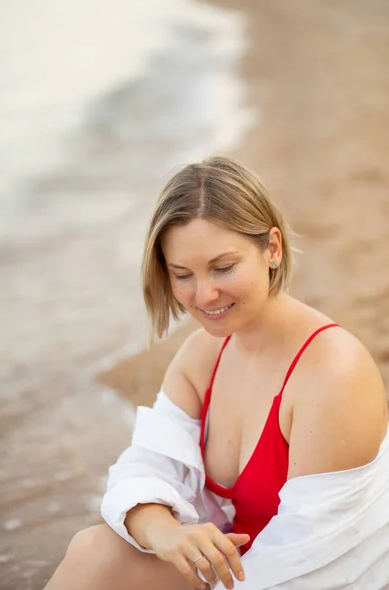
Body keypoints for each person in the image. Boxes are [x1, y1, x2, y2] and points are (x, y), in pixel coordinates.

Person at [44, 156, 389, 590]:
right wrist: (163, 532)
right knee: (92, 551)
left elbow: (311, 565)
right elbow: (145, 470)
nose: (204, 295)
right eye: (182, 274)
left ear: (273, 248)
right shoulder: (204, 354)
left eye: (223, 267)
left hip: (309, 580)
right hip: (237, 573)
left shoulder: (333, 372)